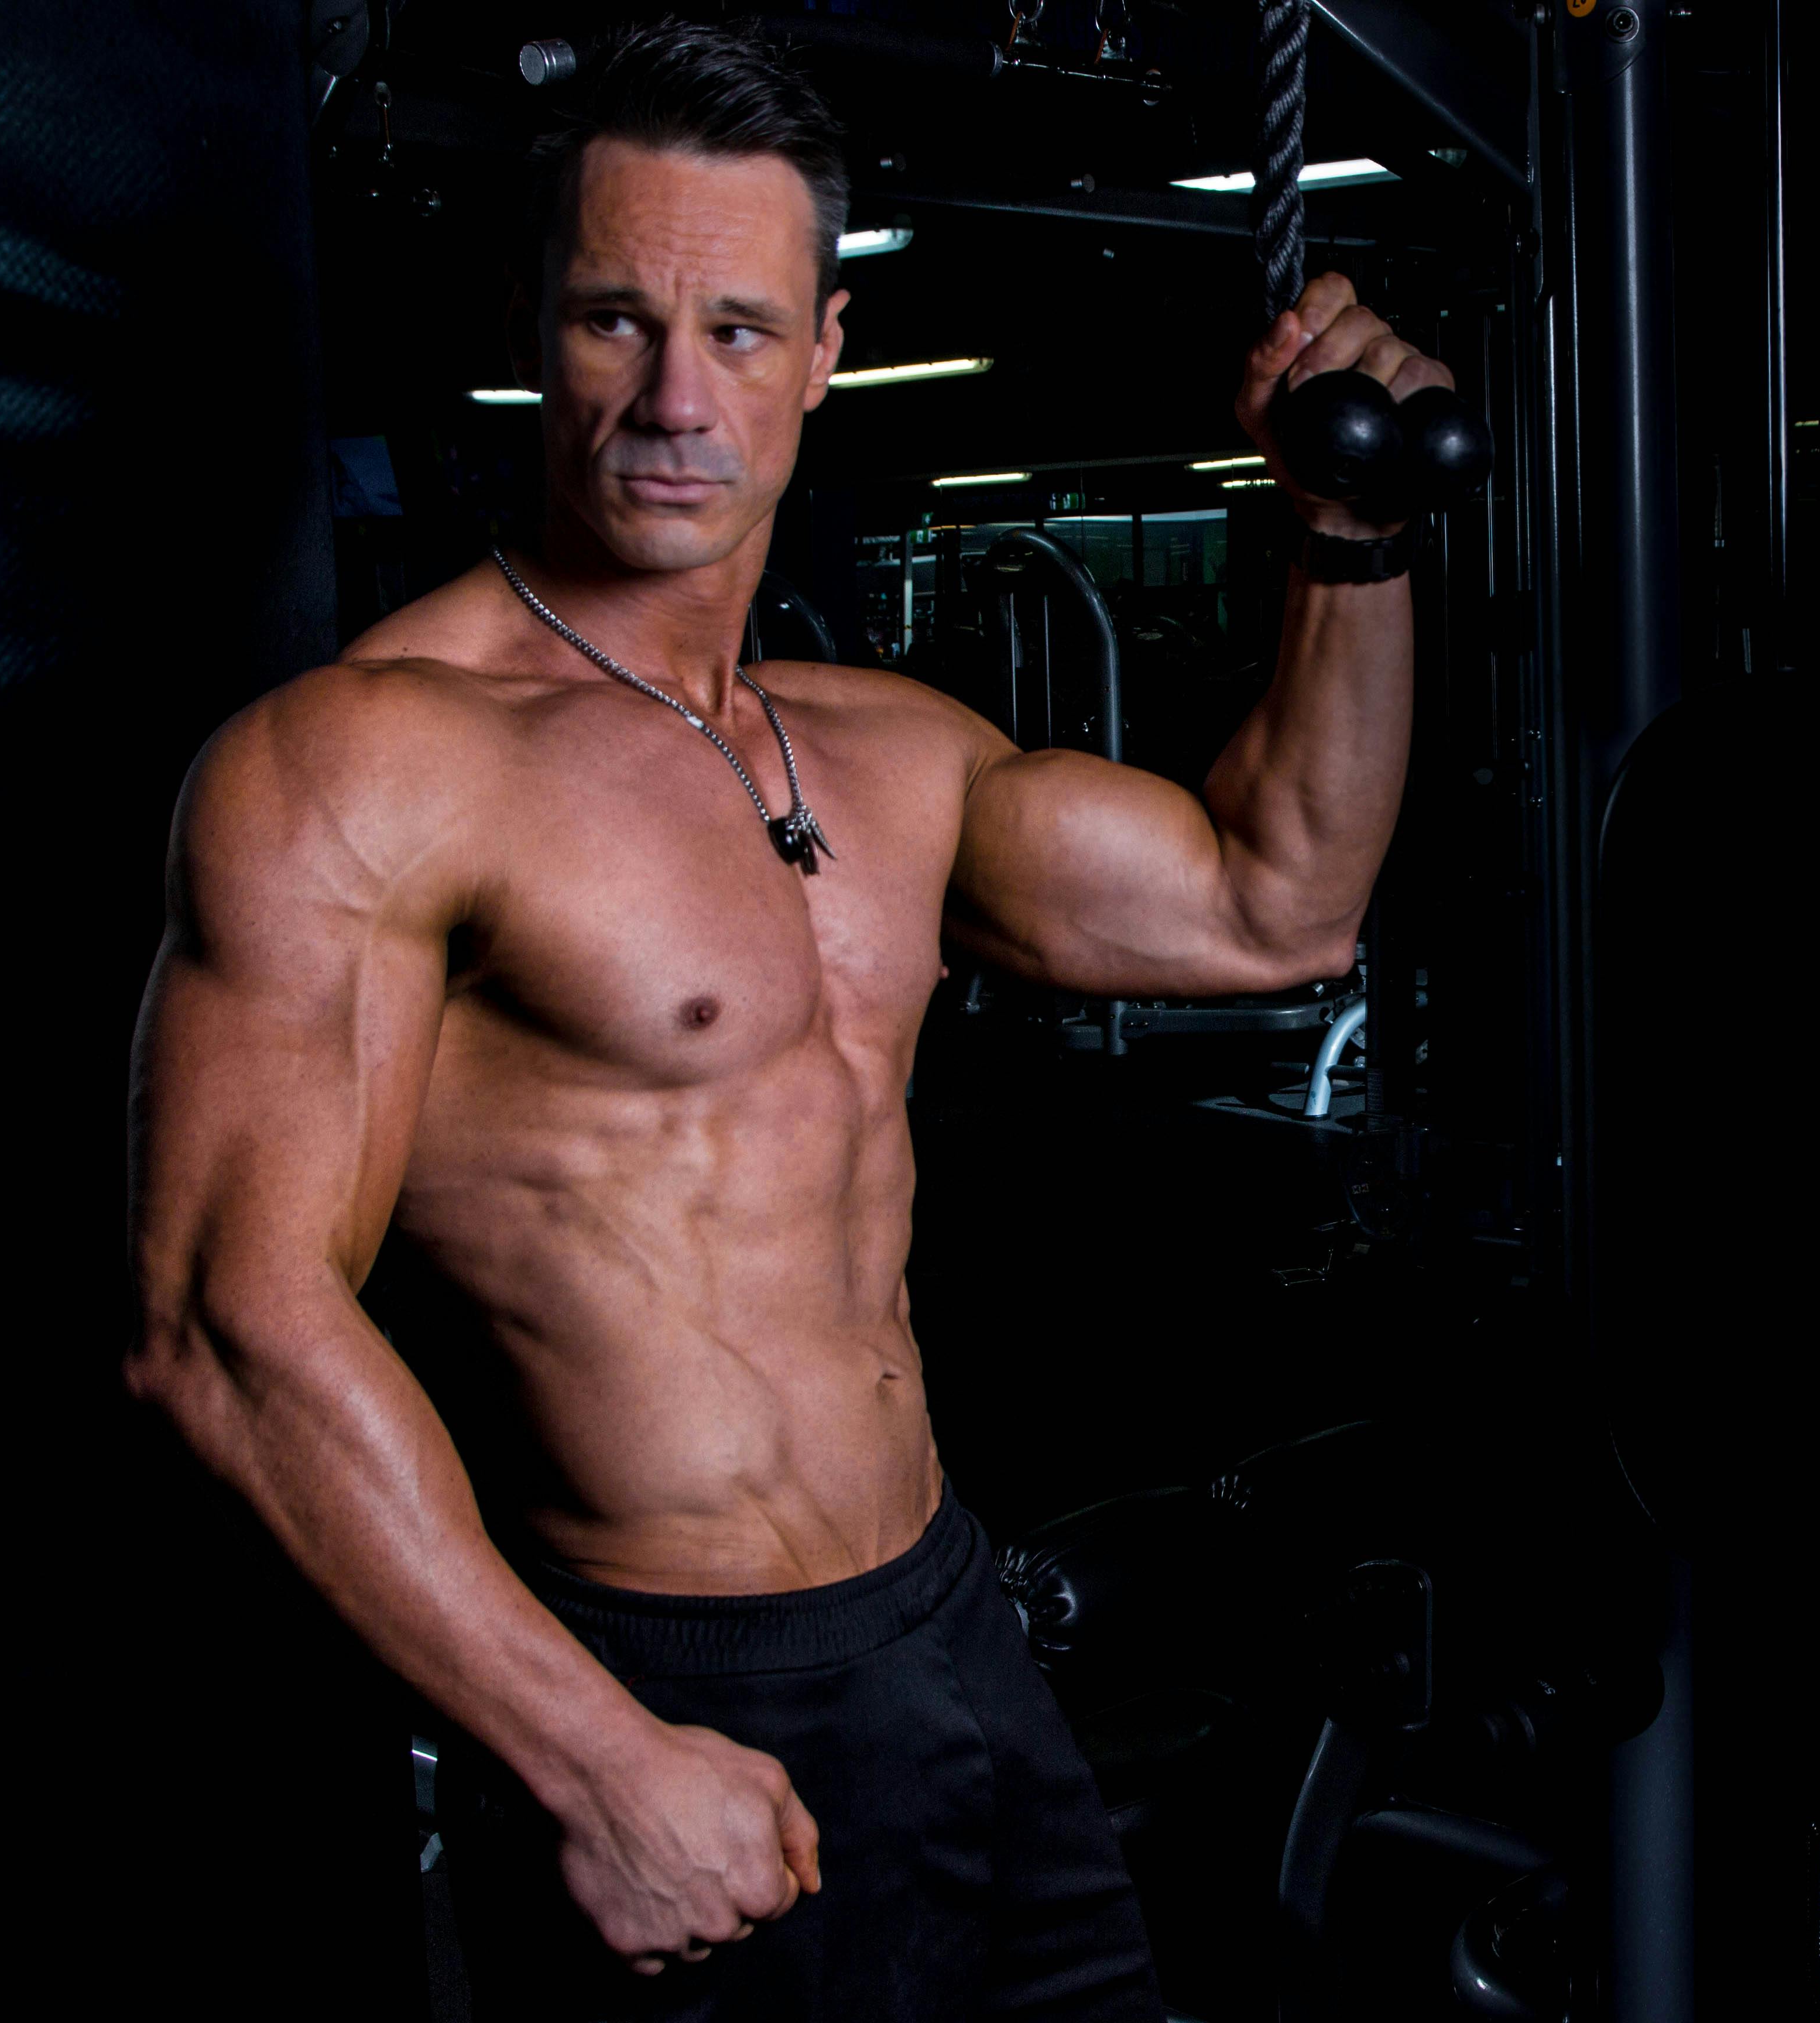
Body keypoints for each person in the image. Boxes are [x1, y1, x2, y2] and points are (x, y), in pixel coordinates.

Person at [123, 19, 1438, 2017]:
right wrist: (594, 1763)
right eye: (613, 321)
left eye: (738, 330)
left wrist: (1349, 537)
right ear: (527, 328)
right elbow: (226, 1324)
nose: (675, 396)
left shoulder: (892, 758)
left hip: (950, 1626)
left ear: (826, 348)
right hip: (670, 1681)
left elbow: (1282, 905)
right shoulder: (369, 765)